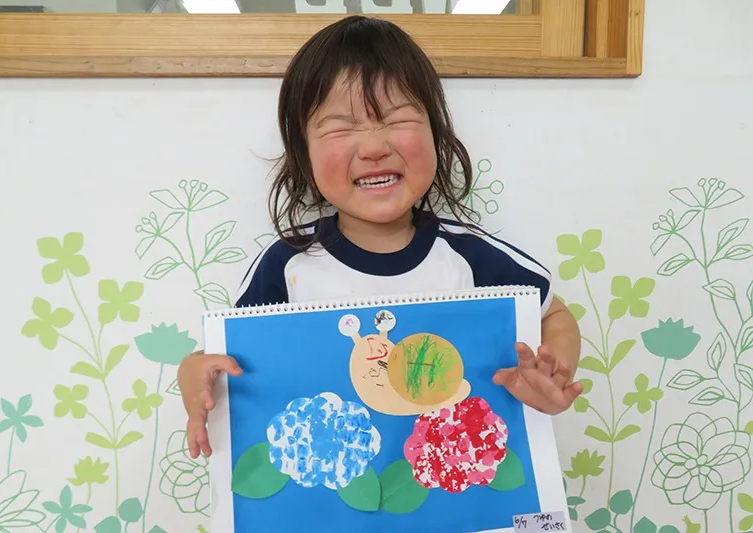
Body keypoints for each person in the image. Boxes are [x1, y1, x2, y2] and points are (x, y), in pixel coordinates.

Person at [177, 15, 582, 460]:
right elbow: (227, 355)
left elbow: (552, 313)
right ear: (304, 155)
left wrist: (553, 372)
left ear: (435, 133)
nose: (373, 147)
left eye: (396, 118)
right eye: (340, 126)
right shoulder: (285, 264)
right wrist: (193, 374)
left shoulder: (470, 256)